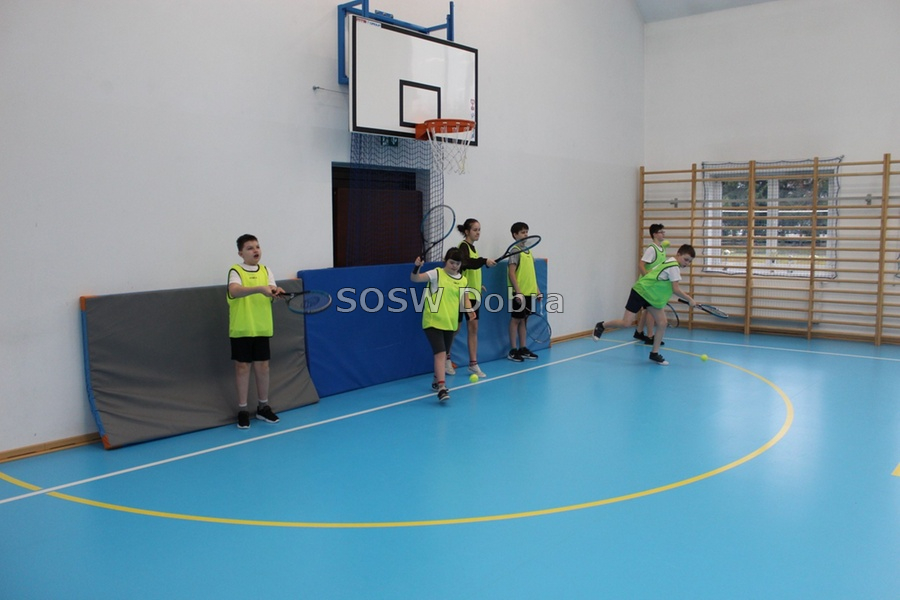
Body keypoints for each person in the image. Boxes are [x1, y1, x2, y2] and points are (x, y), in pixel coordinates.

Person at [592, 244, 697, 366]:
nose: (687, 263)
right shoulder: (673, 267)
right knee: (626, 323)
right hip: (640, 292)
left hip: (651, 297)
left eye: (690, 261)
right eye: (686, 259)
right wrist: (690, 299)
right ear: (678, 254)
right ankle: (601, 325)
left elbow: (655, 275)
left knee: (662, 323)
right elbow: (675, 289)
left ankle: (654, 353)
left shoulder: (669, 262)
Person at [227, 234, 285, 428]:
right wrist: (260, 288)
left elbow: (271, 290)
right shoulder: (235, 271)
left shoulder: (266, 270)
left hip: (261, 327)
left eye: (257, 246)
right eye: (250, 248)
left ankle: (263, 408)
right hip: (242, 328)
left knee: (263, 367)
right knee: (242, 368)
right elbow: (234, 291)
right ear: (241, 253)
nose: (255, 250)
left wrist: (276, 291)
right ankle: (243, 410)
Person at [411, 247, 475, 403]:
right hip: (433, 321)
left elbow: (465, 298)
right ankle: (441, 388)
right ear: (445, 261)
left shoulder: (463, 280)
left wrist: (470, 310)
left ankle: (435, 380)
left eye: (457, 264)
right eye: (452, 262)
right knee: (440, 354)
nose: (454, 266)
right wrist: (416, 267)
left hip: (450, 323)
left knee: (444, 354)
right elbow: (415, 278)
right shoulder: (436, 274)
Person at [457, 218, 497, 378]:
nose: (478, 232)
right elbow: (466, 263)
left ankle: (473, 364)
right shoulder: (463, 246)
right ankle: (446, 359)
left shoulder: (474, 249)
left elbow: (471, 270)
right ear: (467, 231)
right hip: (462, 294)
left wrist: (478, 285)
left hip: (474, 294)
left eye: (479, 229)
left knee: (473, 328)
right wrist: (484, 260)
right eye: (475, 230)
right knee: (455, 329)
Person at [507, 222, 542, 362]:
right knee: (515, 320)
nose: (525, 235)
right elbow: (511, 273)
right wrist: (518, 292)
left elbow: (531, 273)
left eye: (526, 232)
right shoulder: (514, 251)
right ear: (515, 235)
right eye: (522, 232)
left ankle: (523, 348)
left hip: (529, 292)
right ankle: (513, 350)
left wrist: (537, 291)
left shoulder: (529, 251)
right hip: (519, 292)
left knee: (524, 319)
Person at [634, 223, 668, 345]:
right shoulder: (651, 249)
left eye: (663, 232)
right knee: (651, 310)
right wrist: (648, 279)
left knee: (648, 310)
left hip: (654, 285)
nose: (663, 234)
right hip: (647, 285)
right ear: (654, 234)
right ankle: (650, 336)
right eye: (661, 232)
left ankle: (639, 332)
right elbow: (641, 265)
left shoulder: (662, 249)